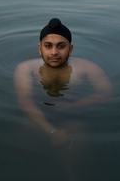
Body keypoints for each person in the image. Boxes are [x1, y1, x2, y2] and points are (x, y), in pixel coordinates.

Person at [14, 18, 113, 147]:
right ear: (40, 49)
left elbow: (106, 94)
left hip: (74, 115)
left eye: (61, 46)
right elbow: (24, 100)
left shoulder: (86, 68)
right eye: (48, 46)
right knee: (23, 130)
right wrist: (52, 131)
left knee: (78, 137)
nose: (54, 52)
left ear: (70, 49)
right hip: (38, 114)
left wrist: (72, 107)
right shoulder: (26, 68)